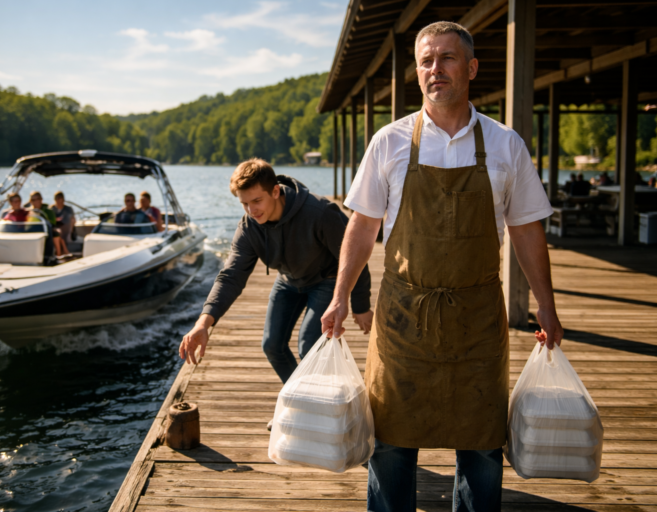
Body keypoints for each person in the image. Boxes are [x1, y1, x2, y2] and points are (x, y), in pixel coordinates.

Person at [320, 21, 563, 512]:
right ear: (417, 71)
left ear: (471, 68)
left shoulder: (505, 145)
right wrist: (340, 296)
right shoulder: (388, 142)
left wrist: (547, 307)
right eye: (427, 60)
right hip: (403, 318)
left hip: (476, 319)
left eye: (447, 58)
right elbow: (362, 227)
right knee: (389, 443)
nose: (436, 69)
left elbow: (526, 230)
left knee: (481, 446)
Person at [178, 159, 373, 430]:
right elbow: (231, 276)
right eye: (244, 203)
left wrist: (360, 305)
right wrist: (203, 323)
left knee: (309, 346)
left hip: (327, 280)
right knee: (272, 345)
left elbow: (355, 257)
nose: (251, 210)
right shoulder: (249, 226)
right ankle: (303, 403)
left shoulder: (321, 212)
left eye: (256, 200)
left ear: (276, 191)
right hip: (289, 281)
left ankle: (313, 408)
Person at [28, 191, 69, 257]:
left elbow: (52, 224)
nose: (36, 201)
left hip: (46, 231)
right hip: (31, 232)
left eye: (38, 199)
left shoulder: (48, 211)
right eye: (33, 200)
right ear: (30, 201)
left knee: (56, 233)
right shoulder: (27, 212)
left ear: (41, 199)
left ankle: (58, 255)